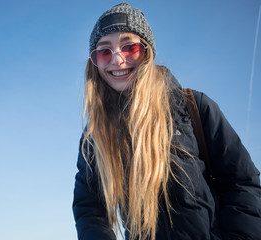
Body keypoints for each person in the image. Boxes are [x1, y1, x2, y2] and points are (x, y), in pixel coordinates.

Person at [72, 2, 261, 240]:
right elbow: (89, 210)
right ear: (95, 61)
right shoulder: (96, 135)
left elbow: (241, 182)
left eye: (129, 47)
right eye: (104, 51)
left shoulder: (194, 107)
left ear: (147, 51)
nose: (118, 60)